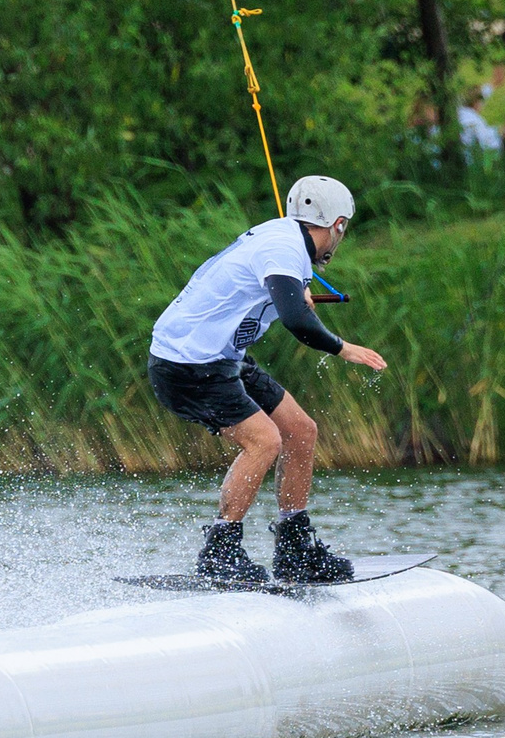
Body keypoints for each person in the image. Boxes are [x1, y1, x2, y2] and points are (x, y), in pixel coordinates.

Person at [147, 175, 389, 585]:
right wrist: (343, 348)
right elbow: (297, 321)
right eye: (342, 231)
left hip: (223, 357)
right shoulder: (283, 249)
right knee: (264, 441)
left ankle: (294, 548)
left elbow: (277, 298)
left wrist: (296, 294)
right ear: (338, 224)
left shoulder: (285, 243)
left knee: (300, 430)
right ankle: (220, 552)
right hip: (185, 364)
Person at [456, 85, 503, 157]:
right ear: (476, 102)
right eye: (482, 102)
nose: (483, 105)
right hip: (468, 157)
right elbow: (486, 139)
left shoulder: (460, 112)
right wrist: (498, 131)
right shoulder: (473, 119)